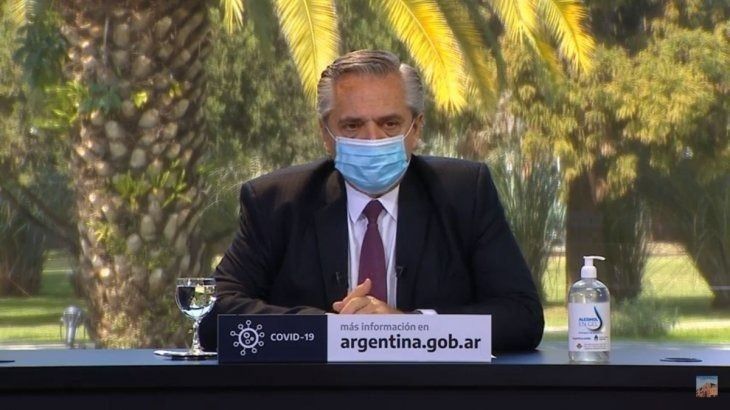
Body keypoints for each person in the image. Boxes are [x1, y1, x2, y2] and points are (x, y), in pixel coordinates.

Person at [200, 50, 543, 351]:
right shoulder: (276, 202)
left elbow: (521, 316)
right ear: (325, 135)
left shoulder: (464, 193)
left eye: (390, 123)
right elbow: (213, 314)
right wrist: (333, 330)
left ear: (416, 128)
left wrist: (409, 327)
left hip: (430, 392)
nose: (372, 139)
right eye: (352, 126)